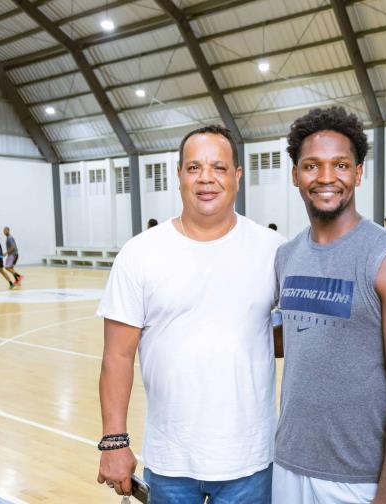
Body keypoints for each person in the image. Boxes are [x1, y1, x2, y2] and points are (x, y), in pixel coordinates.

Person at [96, 125, 285, 502]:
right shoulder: (140, 253)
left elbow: (294, 334)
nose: (206, 178)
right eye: (194, 167)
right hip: (170, 462)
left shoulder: (273, 250)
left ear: (237, 177)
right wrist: (113, 442)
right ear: (179, 175)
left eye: (218, 167)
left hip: (251, 460)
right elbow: (117, 355)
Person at [272, 107, 386, 504]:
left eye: (340, 165)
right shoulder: (287, 256)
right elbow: (298, 336)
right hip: (288, 464)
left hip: (357, 478)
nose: (326, 178)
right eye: (312, 165)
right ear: (295, 175)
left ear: (358, 173)